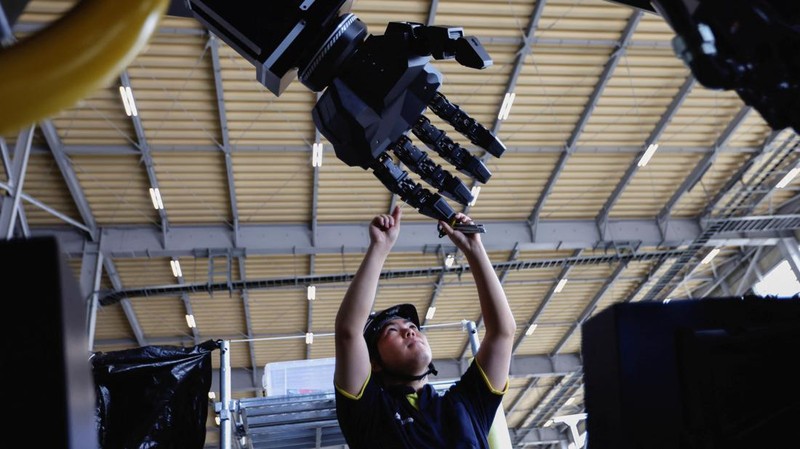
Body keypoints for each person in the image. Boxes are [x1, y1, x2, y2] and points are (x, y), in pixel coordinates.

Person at [334, 205, 516, 448]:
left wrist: (474, 249)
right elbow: (348, 333)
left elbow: (502, 333)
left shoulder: (465, 404)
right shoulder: (370, 413)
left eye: (412, 326)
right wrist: (379, 248)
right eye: (392, 331)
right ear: (373, 363)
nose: (409, 330)